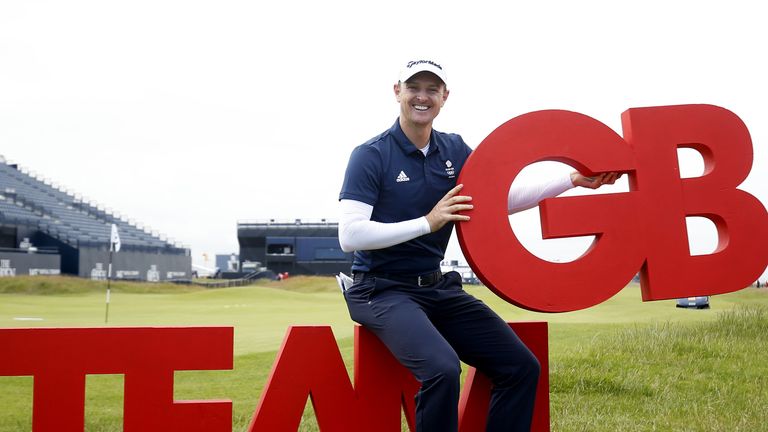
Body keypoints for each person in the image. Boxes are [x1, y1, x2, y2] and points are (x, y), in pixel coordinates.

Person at [338, 59, 619, 432]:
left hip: (435, 288)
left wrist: (570, 179)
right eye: (414, 88)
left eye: (432, 90)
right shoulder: (371, 154)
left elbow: (498, 199)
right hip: (380, 289)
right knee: (441, 369)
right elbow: (350, 235)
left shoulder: (454, 150)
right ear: (397, 92)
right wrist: (429, 222)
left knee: (521, 367)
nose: (422, 97)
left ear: (444, 97)